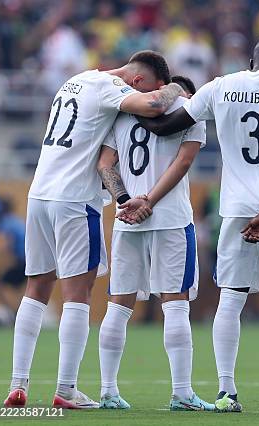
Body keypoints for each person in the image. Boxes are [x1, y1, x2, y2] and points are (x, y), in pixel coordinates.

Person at [137, 37, 259, 415]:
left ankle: (226, 393)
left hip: (235, 206)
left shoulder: (221, 85)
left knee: (231, 298)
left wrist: (128, 108)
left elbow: (167, 126)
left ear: (250, 61)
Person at [4, 50, 186, 409]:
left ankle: (17, 384)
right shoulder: (108, 87)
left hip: (39, 194)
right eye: (153, 85)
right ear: (137, 80)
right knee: (78, 294)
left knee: (36, 287)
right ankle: (66, 389)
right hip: (74, 199)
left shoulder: (75, 80)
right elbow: (153, 106)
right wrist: (176, 89)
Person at [96, 75, 213, 411]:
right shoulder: (190, 110)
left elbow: (105, 164)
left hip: (126, 219)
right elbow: (184, 162)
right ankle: (182, 393)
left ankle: (107, 391)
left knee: (118, 307)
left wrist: (125, 200)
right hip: (172, 220)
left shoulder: (122, 112)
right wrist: (148, 201)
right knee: (175, 305)